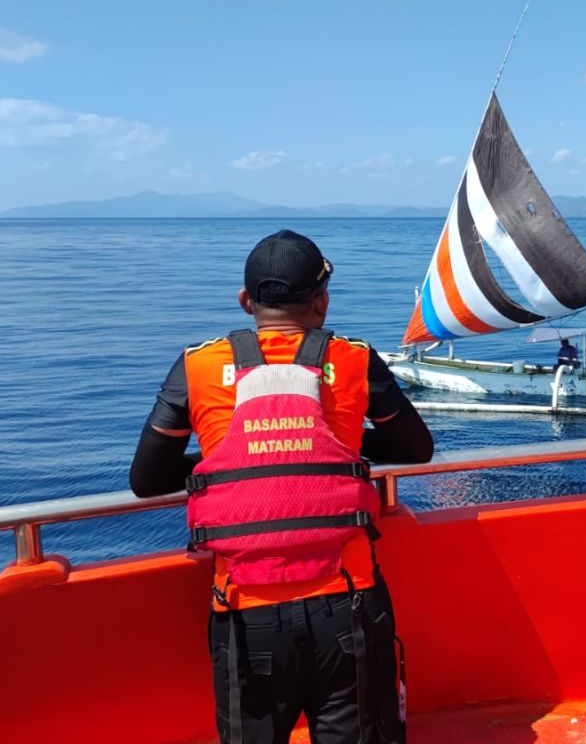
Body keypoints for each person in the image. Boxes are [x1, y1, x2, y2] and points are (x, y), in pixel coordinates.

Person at [129, 230, 434, 744]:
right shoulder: (355, 359)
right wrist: (328, 451)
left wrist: (235, 456)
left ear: (245, 302)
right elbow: (415, 448)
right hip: (350, 606)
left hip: (245, 616)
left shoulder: (197, 366)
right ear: (322, 301)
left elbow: (146, 480)